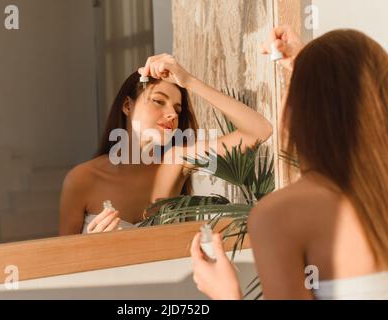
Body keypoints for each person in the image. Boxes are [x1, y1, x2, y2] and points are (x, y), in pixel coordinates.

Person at [191, 26, 388, 300]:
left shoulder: (281, 215)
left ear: (299, 109)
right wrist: (310, 66)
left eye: (289, 89)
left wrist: (225, 293)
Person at [59, 55, 273, 235]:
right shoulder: (81, 180)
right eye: (159, 101)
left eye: (177, 109)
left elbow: (259, 130)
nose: (171, 114)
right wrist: (92, 247)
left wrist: (188, 80)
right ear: (127, 105)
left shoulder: (176, 162)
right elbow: (60, 265)